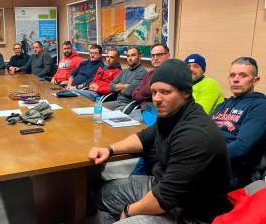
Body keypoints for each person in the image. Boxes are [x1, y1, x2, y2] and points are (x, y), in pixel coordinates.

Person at [89, 59, 232, 224]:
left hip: (189, 212)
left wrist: (128, 211)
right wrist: (109, 149)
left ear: (185, 92)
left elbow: (164, 198)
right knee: (97, 192)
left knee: (126, 216)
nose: (156, 99)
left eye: (165, 92)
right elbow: (144, 138)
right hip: (162, 187)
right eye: (154, 92)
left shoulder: (195, 134)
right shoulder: (173, 114)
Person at [211, 57, 266, 188]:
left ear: (255, 80)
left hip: (232, 171)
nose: (235, 79)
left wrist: (203, 155)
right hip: (205, 160)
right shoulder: (222, 105)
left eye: (243, 75)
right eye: (232, 75)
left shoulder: (260, 106)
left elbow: (241, 148)